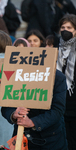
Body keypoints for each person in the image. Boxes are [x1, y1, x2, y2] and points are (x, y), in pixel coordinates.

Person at [1, 69, 68, 149]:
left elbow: (58, 110)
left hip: (51, 140)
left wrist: (33, 122)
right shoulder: (13, 74)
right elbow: (5, 106)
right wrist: (14, 114)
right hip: (21, 137)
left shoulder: (57, 77)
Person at [56, 14, 76, 150]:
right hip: (60, 105)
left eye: (69, 27)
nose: (65, 30)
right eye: (63, 27)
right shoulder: (55, 50)